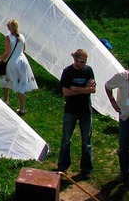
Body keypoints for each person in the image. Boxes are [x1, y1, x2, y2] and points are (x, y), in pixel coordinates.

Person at [57, 49, 96, 179]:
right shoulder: (68, 72)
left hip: (85, 110)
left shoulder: (88, 70)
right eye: (81, 62)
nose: (83, 64)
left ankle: (86, 169)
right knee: (66, 139)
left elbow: (93, 89)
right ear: (75, 59)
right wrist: (85, 89)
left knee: (87, 141)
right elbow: (66, 92)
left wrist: (76, 88)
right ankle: (63, 166)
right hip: (71, 110)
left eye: (85, 62)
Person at [0, 20, 37, 115]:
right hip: (23, 61)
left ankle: (5, 99)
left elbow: (7, 53)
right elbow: (23, 49)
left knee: (5, 78)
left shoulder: (8, 37)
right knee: (21, 83)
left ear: (10, 27)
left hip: (12, 62)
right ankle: (22, 108)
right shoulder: (22, 36)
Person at [105, 60, 129, 182]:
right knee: (124, 146)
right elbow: (108, 86)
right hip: (125, 116)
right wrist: (113, 102)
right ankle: (125, 172)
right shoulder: (121, 77)